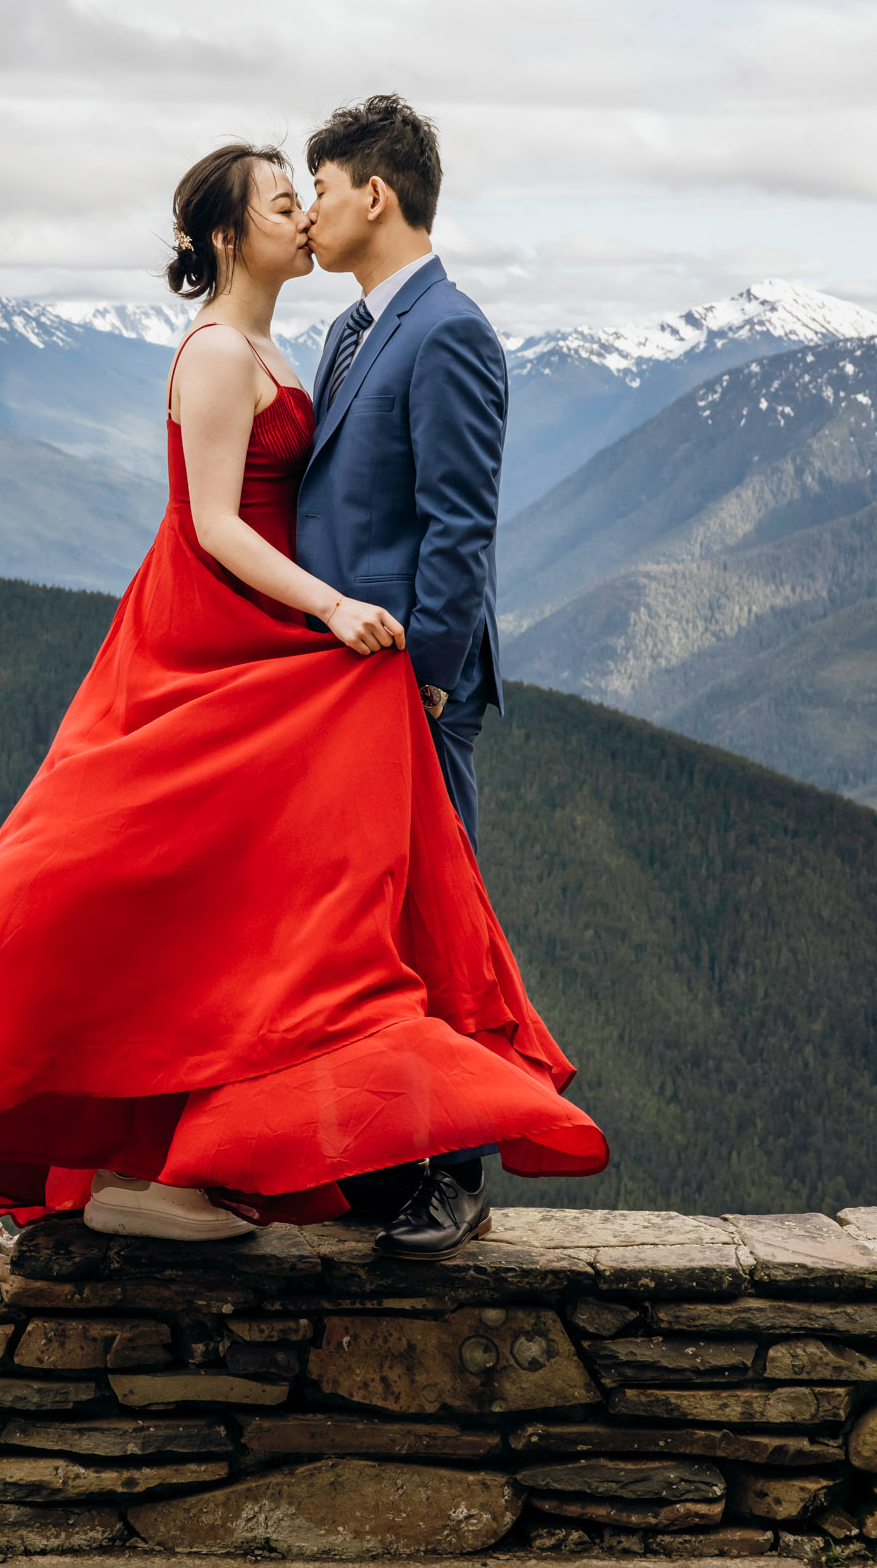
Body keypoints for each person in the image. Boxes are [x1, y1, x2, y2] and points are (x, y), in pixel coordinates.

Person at [0, 141, 605, 1245]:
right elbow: (213, 522)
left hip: (284, 632)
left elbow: (431, 512)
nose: (301, 216)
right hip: (223, 623)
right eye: (282, 201)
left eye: (306, 194)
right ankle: (175, 1164)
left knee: (264, 903)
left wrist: (403, 655)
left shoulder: (309, 341)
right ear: (229, 234)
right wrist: (328, 611)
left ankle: (243, 1160)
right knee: (197, 878)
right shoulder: (222, 352)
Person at [298, 93, 510, 1256]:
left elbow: (457, 529)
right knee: (365, 928)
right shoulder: (346, 332)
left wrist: (424, 681)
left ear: (372, 192)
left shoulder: (449, 331)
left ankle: (455, 1169)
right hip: (340, 689)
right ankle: (384, 1158)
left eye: (320, 187)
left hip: (412, 690)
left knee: (439, 922)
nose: (311, 208)